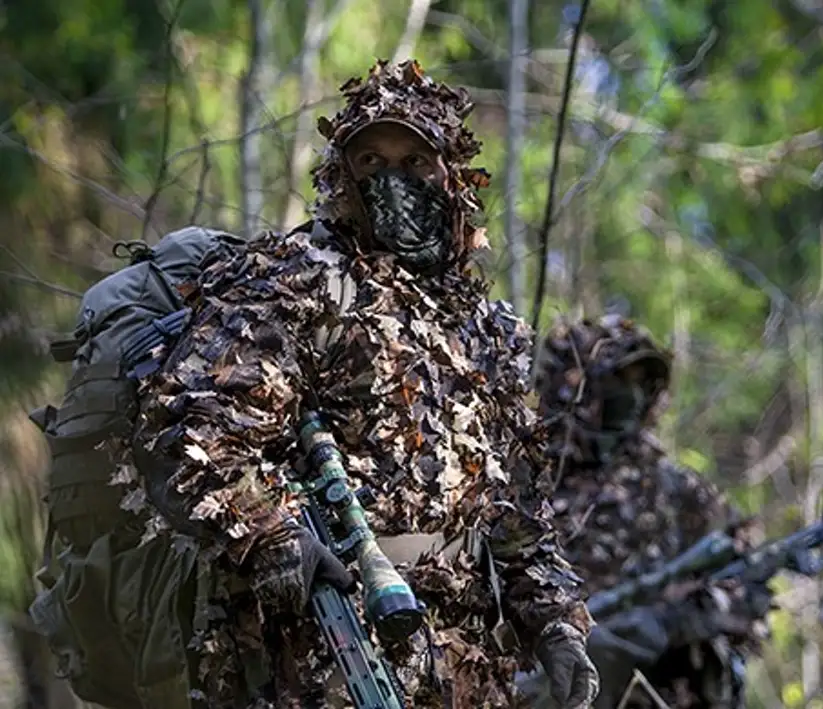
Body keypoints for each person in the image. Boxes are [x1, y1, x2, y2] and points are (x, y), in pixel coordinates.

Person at [30, 60, 599, 709]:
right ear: (342, 175)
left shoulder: (486, 327)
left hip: (463, 664)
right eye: (371, 162)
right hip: (317, 653)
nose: (395, 180)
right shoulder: (295, 280)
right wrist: (280, 540)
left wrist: (555, 622)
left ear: (452, 174)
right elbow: (198, 433)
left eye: (415, 161)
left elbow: (517, 513)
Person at [528, 313, 772, 709]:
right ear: (575, 383)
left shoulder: (675, 490)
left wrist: (670, 623)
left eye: (643, 384)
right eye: (619, 381)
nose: (633, 396)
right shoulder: (522, 483)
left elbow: (750, 583)